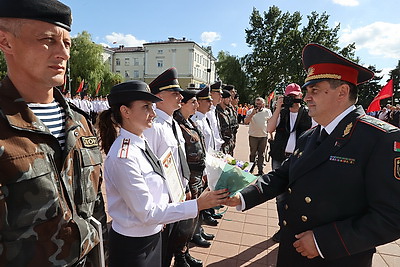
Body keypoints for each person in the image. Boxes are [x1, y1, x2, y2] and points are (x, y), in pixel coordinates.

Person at [224, 43, 400, 266]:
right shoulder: (310, 135)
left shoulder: (379, 139)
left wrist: (323, 242)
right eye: (307, 92)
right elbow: (282, 176)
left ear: (342, 92)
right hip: (293, 251)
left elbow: (392, 217)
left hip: (333, 257)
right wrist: (242, 196)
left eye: (314, 90)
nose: (306, 98)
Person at [0, 0, 108, 266]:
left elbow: (95, 208)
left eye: (67, 44)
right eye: (47, 39)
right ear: (6, 42)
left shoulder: (80, 123)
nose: (63, 54)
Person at [97, 80, 229, 267]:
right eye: (145, 107)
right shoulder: (124, 156)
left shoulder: (140, 142)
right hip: (134, 244)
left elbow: (159, 183)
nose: (152, 113)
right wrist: (197, 204)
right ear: (125, 111)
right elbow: (147, 212)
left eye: (151, 106)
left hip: (152, 233)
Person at [143, 67, 194, 267]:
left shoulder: (172, 123)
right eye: (174, 93)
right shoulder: (153, 127)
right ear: (158, 97)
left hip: (177, 197)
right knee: (160, 254)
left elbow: (178, 162)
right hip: (163, 203)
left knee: (170, 249)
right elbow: (148, 169)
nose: (180, 96)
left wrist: (185, 188)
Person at [267, 83, 313, 242]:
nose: (293, 100)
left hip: (299, 159)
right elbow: (269, 129)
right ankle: (282, 227)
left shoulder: (308, 113)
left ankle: (294, 227)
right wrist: (278, 108)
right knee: (280, 196)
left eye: (296, 96)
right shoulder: (282, 112)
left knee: (298, 195)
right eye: (290, 96)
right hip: (280, 157)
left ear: (301, 96)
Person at [172, 88, 208, 265]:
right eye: (193, 102)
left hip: (196, 177)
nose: (197, 105)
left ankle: (185, 251)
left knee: (193, 216)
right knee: (186, 219)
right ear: (183, 104)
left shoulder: (189, 122)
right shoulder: (177, 125)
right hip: (187, 179)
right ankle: (179, 255)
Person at [244, 97, 272, 176]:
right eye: (256, 104)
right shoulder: (250, 111)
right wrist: (252, 114)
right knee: (252, 153)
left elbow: (270, 123)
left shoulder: (268, 112)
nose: (258, 106)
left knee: (261, 154)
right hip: (253, 136)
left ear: (263, 104)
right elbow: (246, 122)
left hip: (263, 136)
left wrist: (271, 135)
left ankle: (260, 170)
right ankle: (251, 169)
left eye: (260, 104)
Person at [206, 81, 225, 151]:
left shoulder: (214, 110)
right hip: (211, 150)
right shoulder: (207, 112)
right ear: (211, 94)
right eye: (219, 94)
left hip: (217, 148)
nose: (221, 96)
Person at [216, 90, 235, 155]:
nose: (230, 100)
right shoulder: (217, 112)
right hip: (222, 145)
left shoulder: (228, 111)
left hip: (229, 144)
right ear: (222, 99)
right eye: (228, 98)